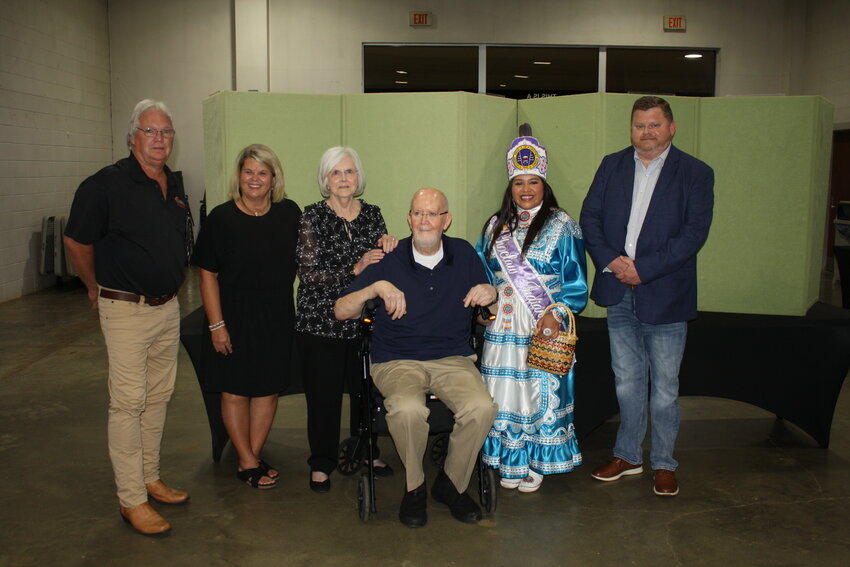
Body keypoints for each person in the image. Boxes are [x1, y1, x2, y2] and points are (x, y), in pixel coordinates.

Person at [63, 99, 192, 536]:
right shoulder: (104, 185)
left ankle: (150, 477)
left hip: (167, 306)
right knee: (127, 403)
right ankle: (131, 499)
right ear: (133, 136)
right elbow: (77, 241)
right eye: (151, 131)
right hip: (126, 309)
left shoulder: (172, 182)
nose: (160, 140)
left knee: (158, 398)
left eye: (167, 132)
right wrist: (93, 286)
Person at [334, 188, 498, 528]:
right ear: (409, 219)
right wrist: (375, 289)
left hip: (452, 358)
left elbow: (486, 316)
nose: (425, 221)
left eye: (433, 214)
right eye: (418, 213)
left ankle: (451, 485)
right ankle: (415, 487)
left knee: (482, 407)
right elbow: (341, 311)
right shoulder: (387, 259)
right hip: (396, 359)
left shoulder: (464, 254)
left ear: (446, 220)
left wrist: (491, 295)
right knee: (408, 409)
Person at [580, 95, 714, 497]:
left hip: (667, 294)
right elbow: (590, 219)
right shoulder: (612, 165)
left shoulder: (695, 173)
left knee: (666, 388)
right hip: (617, 289)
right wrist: (615, 263)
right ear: (632, 129)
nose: (647, 132)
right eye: (640, 125)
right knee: (627, 382)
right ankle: (628, 456)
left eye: (655, 124)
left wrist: (644, 269)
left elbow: (694, 234)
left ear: (671, 127)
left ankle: (664, 463)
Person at [475, 130, 588, 493]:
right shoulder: (495, 227)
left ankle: (538, 460)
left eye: (533, 182)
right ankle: (511, 457)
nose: (526, 190)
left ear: (544, 184)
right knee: (503, 393)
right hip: (503, 326)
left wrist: (558, 312)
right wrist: (483, 304)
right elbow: (481, 271)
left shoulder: (563, 226)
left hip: (543, 326)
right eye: (519, 183)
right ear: (510, 186)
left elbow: (576, 284)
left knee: (535, 394)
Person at [192, 144, 301, 490]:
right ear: (239, 176)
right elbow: (207, 273)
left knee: (268, 390)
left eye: (262, 172)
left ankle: (250, 456)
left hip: (277, 315)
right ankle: (246, 460)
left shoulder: (290, 214)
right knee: (236, 390)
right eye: (248, 171)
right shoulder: (221, 218)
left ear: (273, 179)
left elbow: (313, 258)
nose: (254, 179)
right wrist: (216, 325)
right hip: (234, 316)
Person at [295, 146, 397, 493]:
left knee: (365, 391)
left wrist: (389, 248)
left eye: (349, 172)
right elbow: (308, 274)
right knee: (322, 396)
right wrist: (354, 269)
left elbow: (382, 265)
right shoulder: (312, 216)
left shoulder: (373, 215)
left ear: (358, 177)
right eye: (335, 173)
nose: (343, 179)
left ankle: (366, 450)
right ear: (325, 179)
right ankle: (321, 463)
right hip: (320, 322)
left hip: (364, 321)